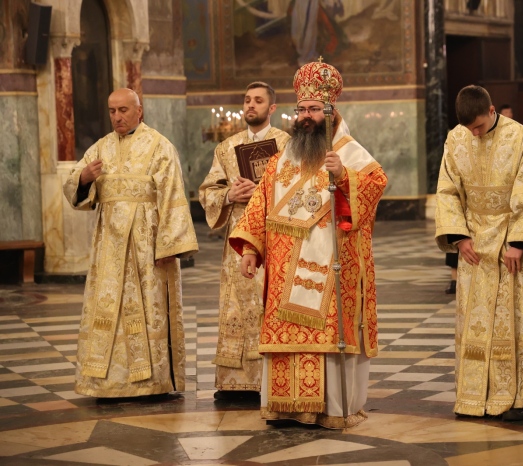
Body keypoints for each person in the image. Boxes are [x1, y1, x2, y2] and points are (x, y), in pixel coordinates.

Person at [230, 59, 387, 428]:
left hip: (333, 267)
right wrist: (252, 248)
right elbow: (262, 203)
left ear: (331, 111)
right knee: (288, 337)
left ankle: (332, 409)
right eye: (300, 109)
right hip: (285, 271)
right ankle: (286, 407)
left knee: (327, 337)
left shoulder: (349, 152)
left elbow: (375, 184)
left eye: (313, 109)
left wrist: (344, 177)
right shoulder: (286, 155)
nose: (304, 116)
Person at [435, 85, 523, 421]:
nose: (474, 134)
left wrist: (519, 242)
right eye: (469, 129)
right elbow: (447, 190)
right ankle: (475, 395)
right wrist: (460, 237)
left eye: (478, 126)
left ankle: (518, 396)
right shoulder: (456, 138)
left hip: (510, 242)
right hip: (474, 245)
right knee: (475, 324)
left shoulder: (522, 139)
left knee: (514, 319)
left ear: (492, 111)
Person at [63, 88, 198, 398]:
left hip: (146, 248)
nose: (117, 117)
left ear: (140, 111)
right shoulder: (101, 148)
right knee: (110, 311)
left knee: (148, 312)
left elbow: (174, 199)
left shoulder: (160, 147)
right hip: (108, 247)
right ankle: (106, 381)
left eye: (123, 110)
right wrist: (83, 178)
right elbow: (76, 188)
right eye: (112, 111)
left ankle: (151, 383)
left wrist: (169, 247)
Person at [199, 82, 290, 401]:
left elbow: (300, 188)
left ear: (272, 108)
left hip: (276, 233)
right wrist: (228, 194)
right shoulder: (226, 147)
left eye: (258, 100)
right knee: (237, 304)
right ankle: (236, 382)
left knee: (270, 302)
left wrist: (266, 191)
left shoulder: (286, 143)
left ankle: (272, 378)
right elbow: (207, 190)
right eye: (247, 99)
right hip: (238, 235)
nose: (251, 105)